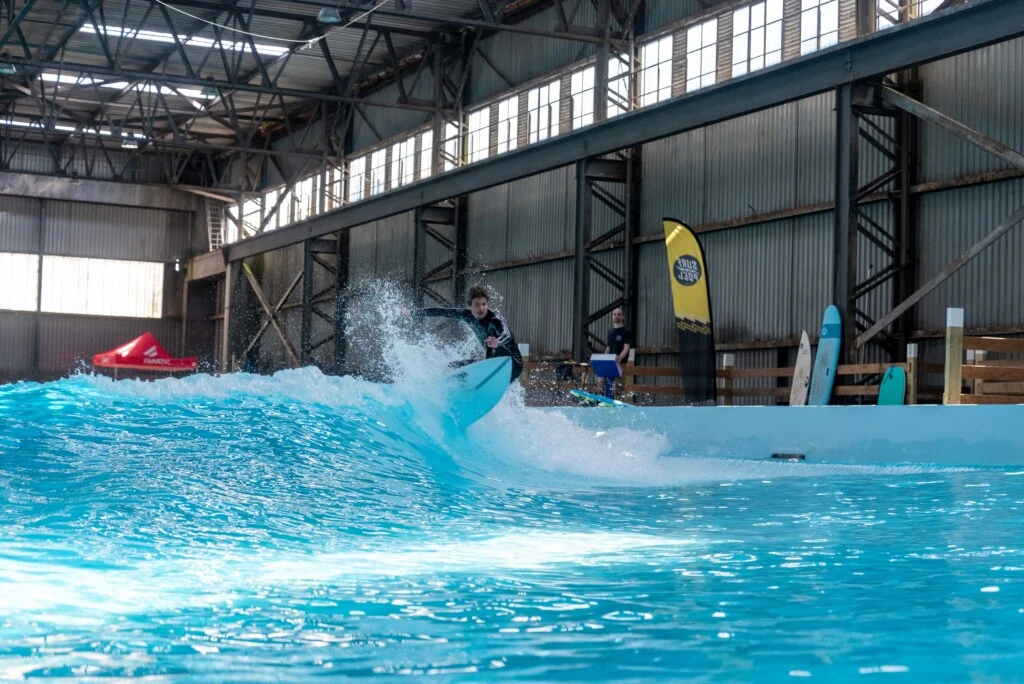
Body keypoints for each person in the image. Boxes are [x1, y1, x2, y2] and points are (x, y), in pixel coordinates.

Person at [409, 285, 523, 384]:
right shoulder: (465, 315)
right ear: (470, 305)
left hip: (511, 364)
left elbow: (506, 334)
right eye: (477, 304)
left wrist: (498, 342)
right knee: (453, 367)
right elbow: (440, 311)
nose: (481, 308)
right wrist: (412, 313)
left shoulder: (494, 319)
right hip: (491, 365)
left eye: (484, 304)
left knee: (492, 347)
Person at [601, 306, 634, 397]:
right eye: (614, 314)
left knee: (619, 387)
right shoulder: (610, 332)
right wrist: (604, 359)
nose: (616, 316)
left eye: (619, 314)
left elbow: (626, 348)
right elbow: (608, 348)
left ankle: (618, 406)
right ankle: (606, 404)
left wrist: (620, 358)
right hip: (610, 363)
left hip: (620, 363)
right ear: (612, 317)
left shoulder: (626, 331)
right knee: (605, 384)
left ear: (622, 317)